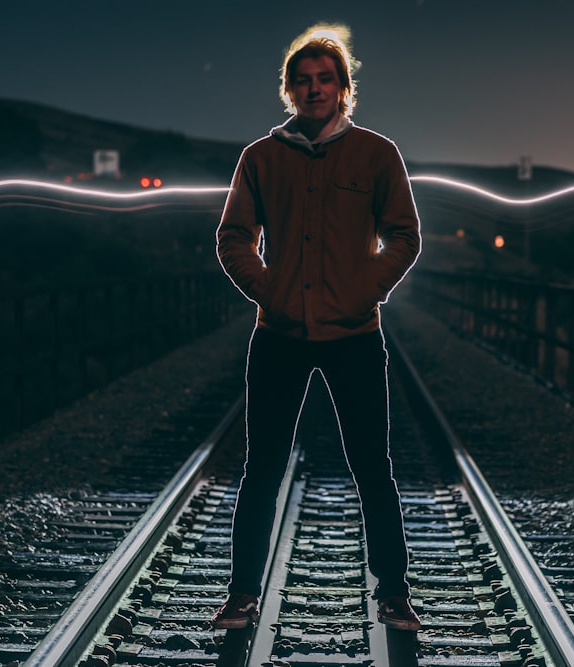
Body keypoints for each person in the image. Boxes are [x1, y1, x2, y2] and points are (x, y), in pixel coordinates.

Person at [211, 24, 423, 632]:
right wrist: (271, 292)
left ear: (343, 87)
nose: (313, 89)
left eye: (324, 79)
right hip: (279, 336)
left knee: (372, 468)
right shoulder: (261, 158)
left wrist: (363, 290)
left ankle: (394, 595)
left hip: (354, 334)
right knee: (262, 467)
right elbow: (232, 238)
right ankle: (241, 596)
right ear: (289, 90)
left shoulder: (377, 154)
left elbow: (404, 236)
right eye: (302, 81)